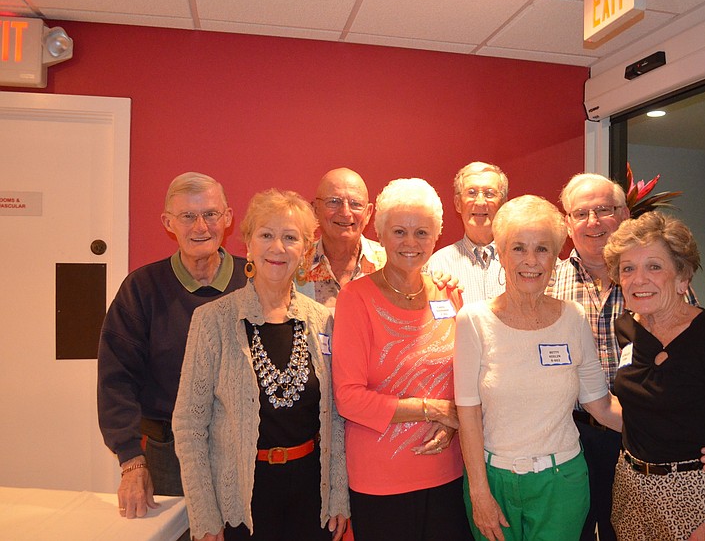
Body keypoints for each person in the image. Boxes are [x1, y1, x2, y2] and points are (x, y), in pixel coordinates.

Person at [550, 173, 705, 541]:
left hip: (650, 442)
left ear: (624, 214)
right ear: (568, 223)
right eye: (581, 213)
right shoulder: (548, 281)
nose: (593, 221)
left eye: (604, 209)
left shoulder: (662, 284)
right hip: (572, 435)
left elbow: (702, 369)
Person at [173, 189, 349, 541]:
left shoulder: (322, 321)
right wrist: (205, 516)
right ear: (249, 245)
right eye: (266, 235)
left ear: (305, 250)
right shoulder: (212, 322)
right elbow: (189, 426)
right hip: (240, 501)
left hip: (311, 497)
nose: (277, 248)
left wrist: (339, 494)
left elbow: (336, 418)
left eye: (290, 238)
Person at [454, 195, 623, 541]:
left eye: (542, 249)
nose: (531, 261)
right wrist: (479, 492)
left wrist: (677, 430)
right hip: (494, 481)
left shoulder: (572, 319)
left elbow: (600, 405)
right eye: (518, 248)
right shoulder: (473, 320)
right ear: (500, 254)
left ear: (556, 256)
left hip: (562, 483)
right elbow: (467, 413)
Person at [603, 212, 705, 541]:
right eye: (628, 268)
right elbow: (642, 408)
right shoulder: (625, 328)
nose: (638, 279)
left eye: (654, 266)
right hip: (630, 491)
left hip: (695, 494)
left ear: (682, 277)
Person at [97, 172, 247, 520]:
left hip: (243, 450)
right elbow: (115, 379)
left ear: (227, 218)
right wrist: (132, 462)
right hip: (167, 452)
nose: (201, 226)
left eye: (210, 214)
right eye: (188, 216)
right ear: (168, 222)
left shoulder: (253, 283)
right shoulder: (141, 288)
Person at [332, 178, 471, 541]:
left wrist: (454, 416)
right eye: (399, 231)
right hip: (381, 479)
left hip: (449, 471)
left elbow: (468, 377)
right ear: (380, 234)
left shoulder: (449, 294)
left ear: (436, 236)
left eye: (422, 232)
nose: (411, 243)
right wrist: (433, 409)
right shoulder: (355, 299)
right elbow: (348, 398)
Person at [297, 167, 386, 311]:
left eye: (355, 204)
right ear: (316, 209)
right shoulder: (295, 266)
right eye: (334, 201)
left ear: (369, 213)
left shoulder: (390, 266)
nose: (345, 212)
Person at [428, 161, 509, 303]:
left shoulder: (523, 258)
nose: (480, 202)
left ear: (503, 203)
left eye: (489, 194)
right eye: (471, 193)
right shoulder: (438, 264)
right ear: (458, 203)